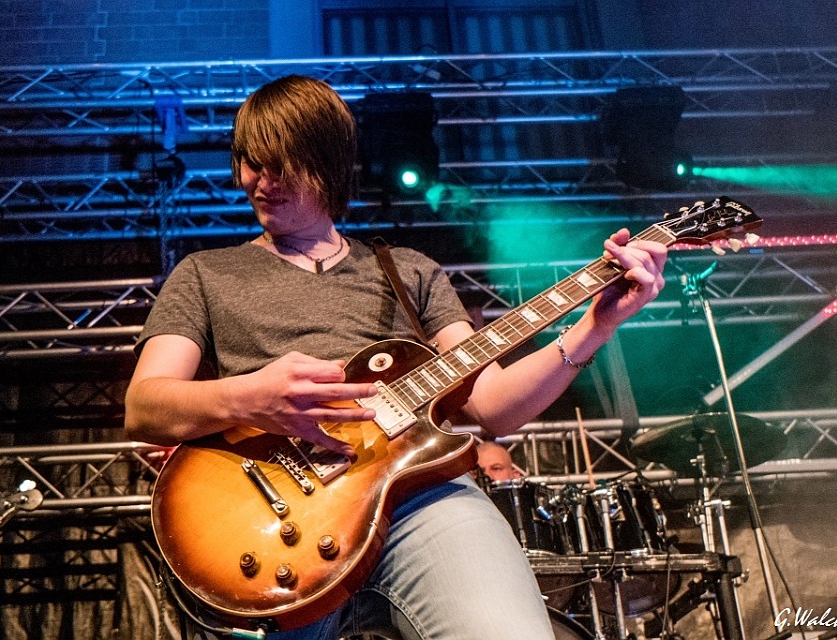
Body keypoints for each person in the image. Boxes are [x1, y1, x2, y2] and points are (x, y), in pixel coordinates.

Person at [124, 74, 667, 640]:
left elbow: (494, 406)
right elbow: (144, 405)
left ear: (328, 164)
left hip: (417, 497)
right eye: (249, 164)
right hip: (271, 517)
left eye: (280, 166)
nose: (259, 183)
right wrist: (250, 396)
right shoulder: (205, 274)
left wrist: (597, 325)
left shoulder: (410, 271)